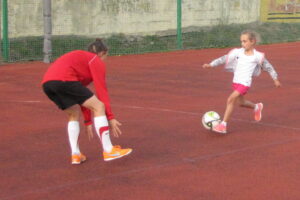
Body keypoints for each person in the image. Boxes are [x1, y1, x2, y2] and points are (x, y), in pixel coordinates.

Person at [42, 38, 132, 164]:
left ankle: (76, 154)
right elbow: (101, 91)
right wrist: (110, 117)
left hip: (48, 84)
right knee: (99, 106)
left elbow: (81, 96)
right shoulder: (95, 60)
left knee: (73, 113)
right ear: (102, 53)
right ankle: (109, 150)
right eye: (106, 55)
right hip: (65, 80)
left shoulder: (81, 59)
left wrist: (88, 121)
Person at [202, 30, 281, 134]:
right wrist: (211, 64)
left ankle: (223, 125)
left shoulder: (257, 56)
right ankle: (256, 107)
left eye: (245, 41)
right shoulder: (238, 52)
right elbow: (224, 58)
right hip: (236, 81)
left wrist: (275, 79)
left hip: (245, 83)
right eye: (241, 41)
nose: (242, 44)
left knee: (230, 99)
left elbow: (268, 67)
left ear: (252, 41)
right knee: (241, 103)